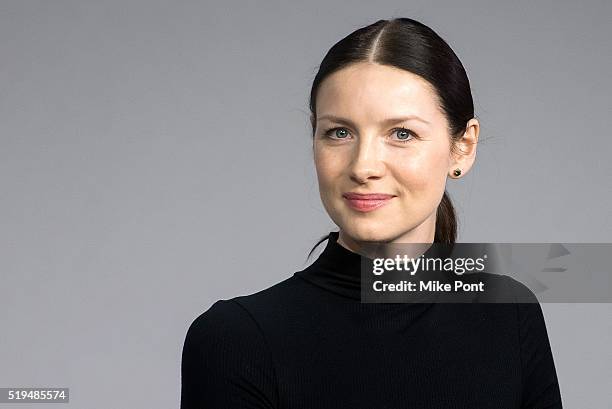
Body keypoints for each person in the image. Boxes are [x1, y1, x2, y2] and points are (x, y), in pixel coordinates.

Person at [180, 17, 563, 408]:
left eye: (401, 134)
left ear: (463, 147)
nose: (363, 166)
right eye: (339, 132)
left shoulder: (510, 316)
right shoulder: (236, 341)